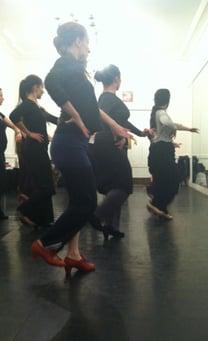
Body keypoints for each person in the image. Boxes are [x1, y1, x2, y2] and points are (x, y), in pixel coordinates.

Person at [31, 22, 132, 276]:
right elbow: (50, 82)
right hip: (68, 144)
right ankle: (44, 244)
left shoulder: (76, 71)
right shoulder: (65, 64)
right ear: (77, 41)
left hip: (76, 144)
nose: (88, 48)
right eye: (87, 42)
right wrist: (74, 114)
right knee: (87, 203)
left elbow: (93, 108)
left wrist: (116, 127)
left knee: (79, 200)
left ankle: (74, 254)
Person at [89, 65, 151, 239]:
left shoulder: (108, 98)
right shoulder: (107, 98)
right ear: (116, 79)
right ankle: (97, 215)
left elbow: (122, 121)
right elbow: (101, 120)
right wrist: (116, 136)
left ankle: (111, 226)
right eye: (120, 78)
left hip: (111, 143)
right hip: (110, 143)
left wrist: (141, 133)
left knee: (114, 186)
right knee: (124, 185)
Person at [10, 75, 58, 227]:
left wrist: (71, 119)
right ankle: (24, 209)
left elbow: (54, 119)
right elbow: (13, 116)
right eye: (41, 87)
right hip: (34, 150)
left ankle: (43, 219)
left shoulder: (37, 107)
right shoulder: (27, 105)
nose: (43, 91)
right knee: (47, 187)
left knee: (43, 185)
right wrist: (29, 133)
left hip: (39, 149)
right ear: (35, 87)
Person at [147, 88, 198, 220]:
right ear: (167, 101)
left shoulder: (156, 113)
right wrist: (174, 129)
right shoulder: (161, 112)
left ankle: (160, 206)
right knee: (173, 180)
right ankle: (155, 203)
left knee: (165, 181)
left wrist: (187, 129)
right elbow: (168, 123)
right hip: (162, 151)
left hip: (160, 149)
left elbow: (164, 131)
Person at [0, 88, 22, 220]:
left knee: (1, 182)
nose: (3, 98)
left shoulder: (1, 115)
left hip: (0, 154)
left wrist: (18, 131)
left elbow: (13, 125)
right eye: (1, 95)